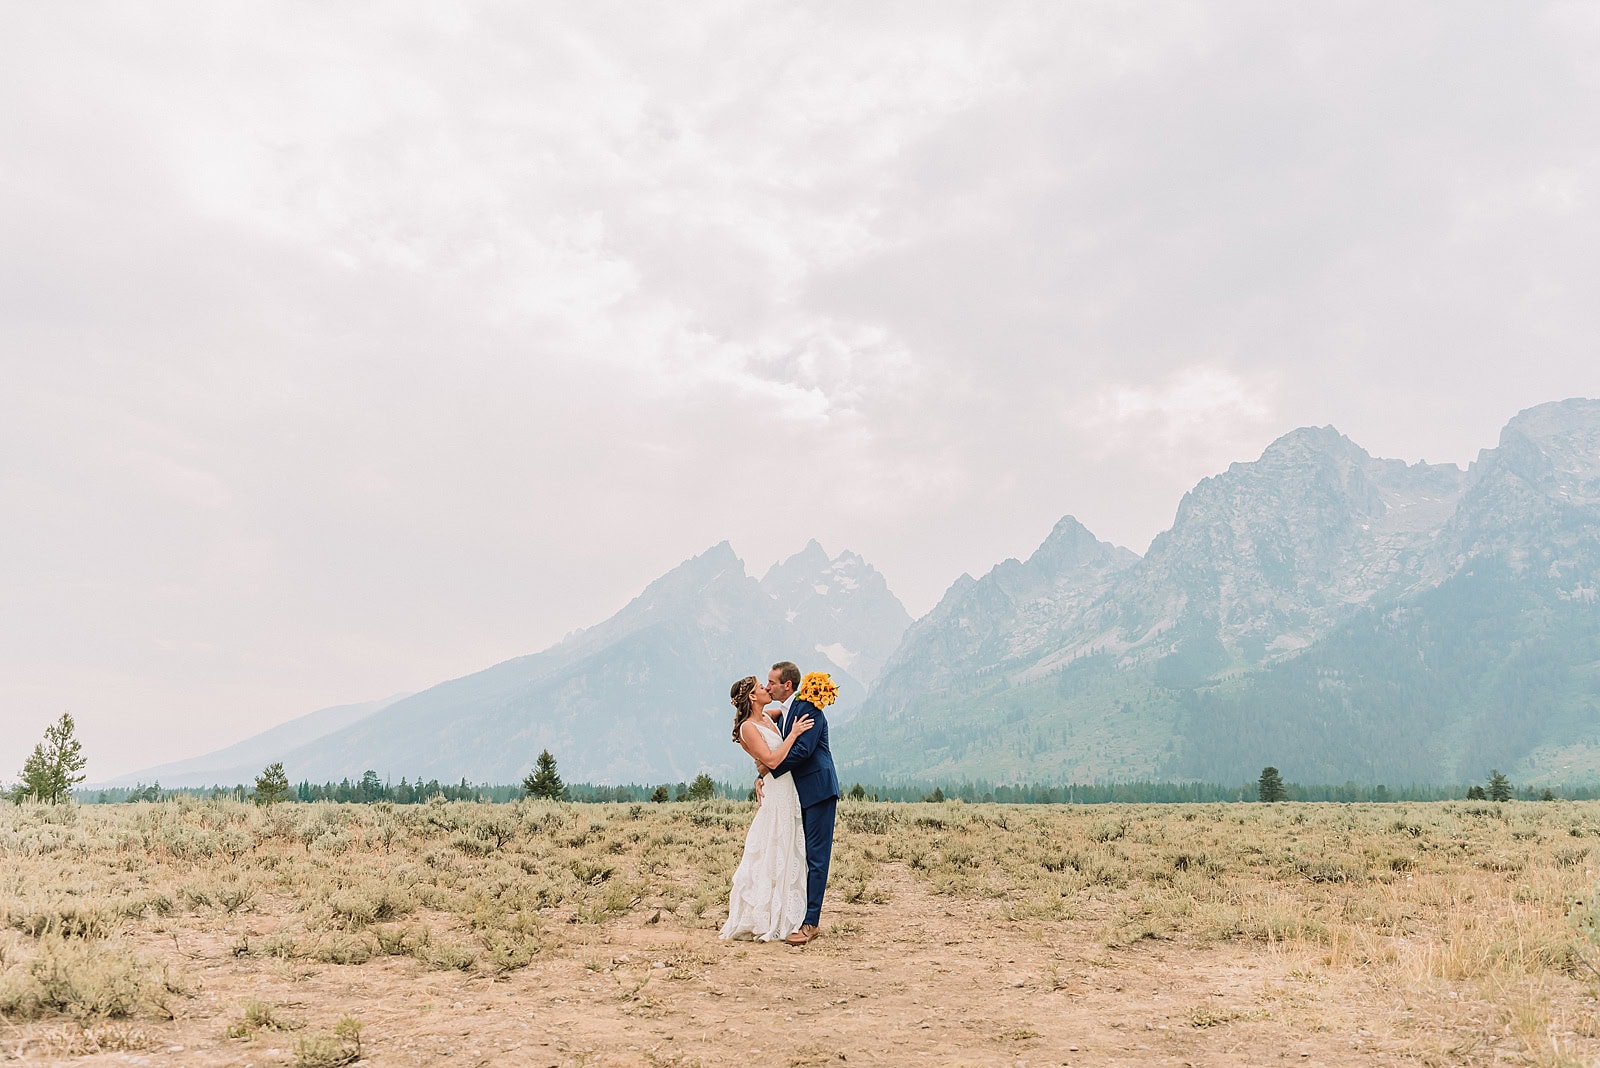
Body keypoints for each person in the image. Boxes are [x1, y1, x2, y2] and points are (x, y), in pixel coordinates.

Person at [720, 675, 815, 942]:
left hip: (788, 790)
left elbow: (788, 707)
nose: (767, 689)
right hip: (776, 792)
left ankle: (786, 911)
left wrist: (814, 692)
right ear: (752, 696)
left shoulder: (767, 717)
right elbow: (771, 759)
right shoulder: (748, 727)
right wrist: (794, 734)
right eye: (762, 687)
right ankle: (765, 915)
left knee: (787, 848)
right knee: (771, 848)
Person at [762, 660, 839, 946]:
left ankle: (811, 924)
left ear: (788, 685)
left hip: (819, 790)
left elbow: (805, 750)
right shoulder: (787, 710)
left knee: (817, 858)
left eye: (771, 682)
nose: (767, 686)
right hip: (801, 793)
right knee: (801, 856)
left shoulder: (808, 706)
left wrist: (770, 769)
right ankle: (796, 915)